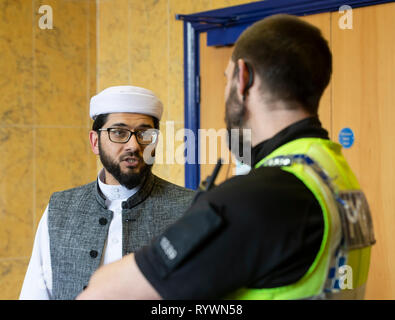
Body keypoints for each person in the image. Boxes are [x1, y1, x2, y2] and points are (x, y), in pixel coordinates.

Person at [77, 15, 376, 300]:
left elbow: (103, 291)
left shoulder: (258, 197)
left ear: (243, 77)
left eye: (226, 77)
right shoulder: (330, 169)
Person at [19, 85, 195, 300]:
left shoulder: (189, 209)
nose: (133, 145)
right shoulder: (60, 209)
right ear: (95, 142)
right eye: (119, 133)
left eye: (144, 134)